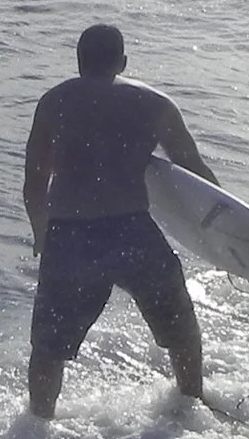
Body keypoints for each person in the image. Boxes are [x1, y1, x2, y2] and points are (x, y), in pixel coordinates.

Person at [23, 23, 216, 416]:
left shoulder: (54, 103)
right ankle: (193, 409)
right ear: (123, 62)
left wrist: (41, 234)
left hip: (71, 236)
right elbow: (195, 172)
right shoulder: (155, 104)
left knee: (49, 348)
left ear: (78, 62)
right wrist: (225, 236)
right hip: (133, 232)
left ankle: (38, 425)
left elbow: (35, 182)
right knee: (181, 330)